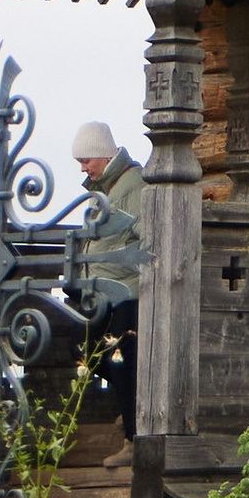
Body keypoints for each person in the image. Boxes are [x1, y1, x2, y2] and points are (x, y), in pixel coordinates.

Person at [71, 122, 146, 430]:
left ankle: (132, 434)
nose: (83, 168)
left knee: (119, 357)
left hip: (126, 292)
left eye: (86, 160)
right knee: (86, 352)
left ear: (102, 155)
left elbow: (147, 235)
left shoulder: (133, 184)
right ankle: (134, 409)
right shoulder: (102, 190)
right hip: (100, 293)